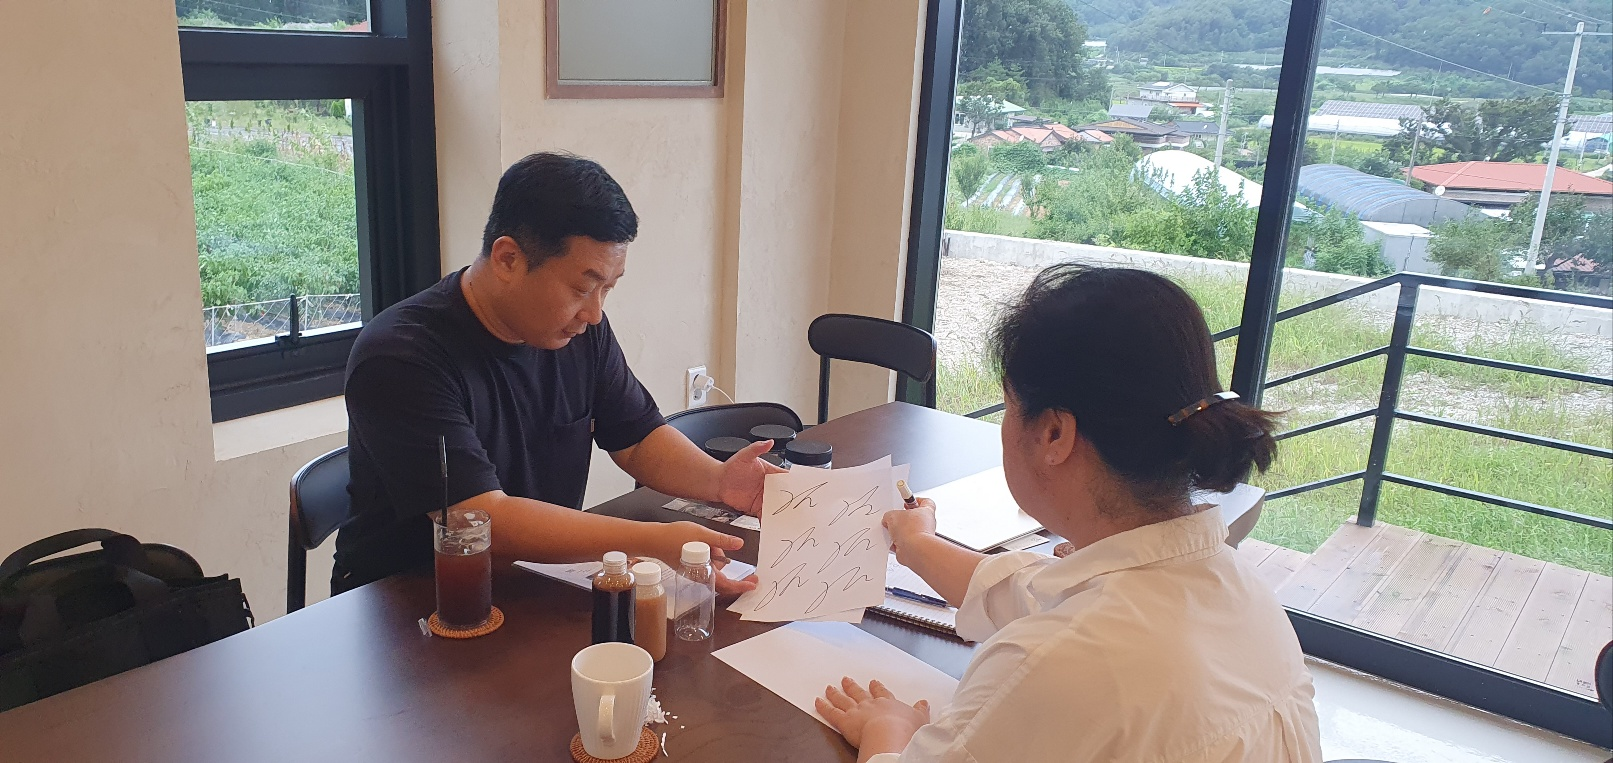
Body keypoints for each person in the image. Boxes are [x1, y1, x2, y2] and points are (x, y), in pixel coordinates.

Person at [816, 265, 1322, 762]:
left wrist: (889, 730)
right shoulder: (1236, 588)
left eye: (1008, 407)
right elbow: (1034, 594)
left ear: (1054, 434)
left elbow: (1058, 638)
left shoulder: (1056, 664)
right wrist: (918, 545)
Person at [332, 152, 774, 595]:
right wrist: (650, 540)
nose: (595, 312)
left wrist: (719, 480)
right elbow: (482, 519)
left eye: (608, 288)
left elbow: (638, 439)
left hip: (533, 579)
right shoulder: (400, 356)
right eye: (582, 288)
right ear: (508, 259)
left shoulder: (578, 331)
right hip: (408, 598)